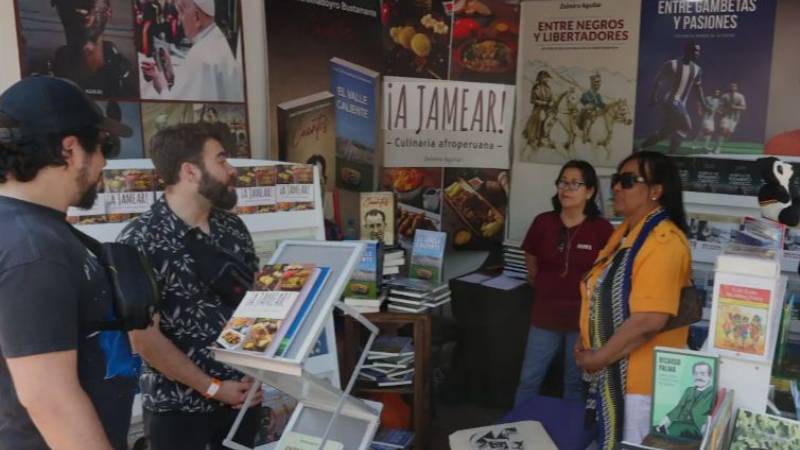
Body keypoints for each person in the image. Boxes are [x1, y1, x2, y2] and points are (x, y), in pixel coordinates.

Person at [0, 76, 134, 449]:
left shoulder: (34, 232)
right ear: (70, 150)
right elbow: (50, 399)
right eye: (103, 146)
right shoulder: (32, 249)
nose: (104, 161)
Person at [118, 123, 262, 450]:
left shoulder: (233, 228)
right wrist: (212, 387)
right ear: (190, 171)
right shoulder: (139, 240)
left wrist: (260, 372)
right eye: (222, 160)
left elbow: (253, 305)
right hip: (178, 414)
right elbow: (144, 339)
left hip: (243, 401)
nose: (231, 170)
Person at [575, 151, 691, 448]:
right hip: (617, 375)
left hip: (639, 386)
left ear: (656, 190)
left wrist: (598, 358)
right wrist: (586, 339)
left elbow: (648, 320)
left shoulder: (663, 242)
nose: (615, 187)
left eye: (627, 181)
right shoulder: (626, 235)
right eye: (616, 180)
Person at [514, 160, 613, 406]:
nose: (566, 189)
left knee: (574, 383)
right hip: (545, 314)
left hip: (581, 320)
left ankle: (569, 437)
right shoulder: (543, 222)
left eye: (575, 184)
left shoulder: (601, 229)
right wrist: (541, 282)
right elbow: (531, 257)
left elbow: (608, 272)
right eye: (562, 182)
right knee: (529, 378)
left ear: (590, 192)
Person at [141, 0, 244, 101]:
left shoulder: (200, 56)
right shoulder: (216, 37)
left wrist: (162, 87)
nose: (180, 20)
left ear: (197, 17)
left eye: (181, 12)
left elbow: (178, 107)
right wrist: (171, 76)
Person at [49, 0, 137, 98]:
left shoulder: (130, 81)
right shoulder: (44, 80)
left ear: (108, 11)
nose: (81, 8)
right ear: (59, 9)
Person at [638, 42, 710, 154]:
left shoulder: (697, 69)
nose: (697, 53)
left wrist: (704, 104)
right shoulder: (672, 64)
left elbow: (698, 88)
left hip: (681, 103)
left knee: (667, 131)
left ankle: (640, 147)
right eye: (695, 50)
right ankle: (671, 154)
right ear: (687, 50)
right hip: (671, 100)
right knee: (686, 126)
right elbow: (658, 80)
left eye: (698, 51)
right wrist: (653, 96)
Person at [656, 362, 715, 440]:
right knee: (656, 428)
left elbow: (710, 415)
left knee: (674, 429)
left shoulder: (712, 392)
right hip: (680, 422)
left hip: (696, 426)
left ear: (710, 376)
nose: (698, 377)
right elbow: (679, 407)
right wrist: (666, 420)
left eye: (702, 374)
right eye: (696, 374)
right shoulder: (689, 390)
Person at [522, 70, 554, 150]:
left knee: (553, 119)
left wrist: (552, 102)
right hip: (539, 109)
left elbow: (551, 98)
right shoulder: (536, 87)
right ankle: (534, 140)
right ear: (541, 78)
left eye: (547, 78)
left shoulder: (548, 87)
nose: (547, 80)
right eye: (546, 78)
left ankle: (546, 138)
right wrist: (544, 103)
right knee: (541, 118)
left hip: (548, 108)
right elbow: (532, 100)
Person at [714, 83, 747, 153]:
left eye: (734, 86)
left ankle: (724, 139)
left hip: (734, 118)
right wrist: (719, 111)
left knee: (728, 133)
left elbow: (744, 107)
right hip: (725, 116)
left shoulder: (740, 96)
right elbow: (720, 106)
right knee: (722, 130)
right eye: (731, 86)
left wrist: (735, 107)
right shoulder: (725, 96)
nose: (732, 87)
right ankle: (717, 148)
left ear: (736, 87)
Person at [579, 72, 605, 143]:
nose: (598, 85)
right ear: (592, 84)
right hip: (588, 114)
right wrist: (589, 106)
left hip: (597, 113)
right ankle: (585, 137)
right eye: (596, 83)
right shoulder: (586, 94)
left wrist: (604, 106)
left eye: (599, 84)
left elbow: (601, 104)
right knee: (588, 121)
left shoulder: (598, 95)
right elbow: (583, 102)